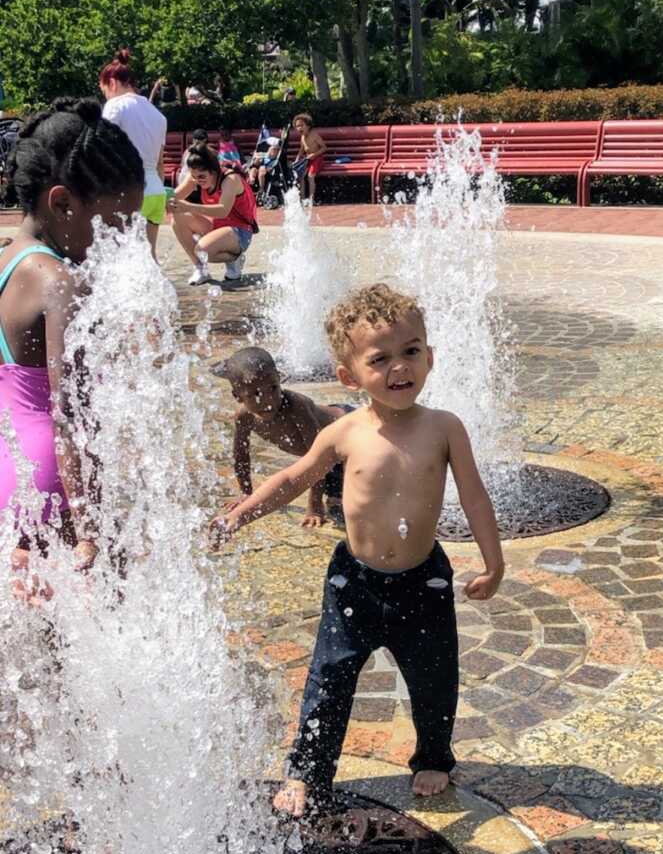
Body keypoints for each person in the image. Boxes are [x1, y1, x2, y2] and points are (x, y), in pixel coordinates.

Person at [211, 283, 504, 817]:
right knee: (329, 679)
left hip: (425, 580)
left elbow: (475, 495)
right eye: (381, 358)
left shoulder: (444, 428)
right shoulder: (344, 432)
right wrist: (238, 513)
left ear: (429, 356)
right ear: (349, 376)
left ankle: (433, 756)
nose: (400, 368)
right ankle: (309, 768)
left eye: (411, 351)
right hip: (356, 582)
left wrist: (493, 561)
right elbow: (293, 478)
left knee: (434, 677)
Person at [0, 98, 145, 578]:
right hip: (51, 484)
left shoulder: (7, 259)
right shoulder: (60, 281)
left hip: (10, 468)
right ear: (61, 202)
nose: (125, 238)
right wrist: (90, 525)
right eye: (117, 222)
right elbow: (71, 417)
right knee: (74, 634)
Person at [211, 346, 351, 526]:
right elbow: (241, 457)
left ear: (280, 378)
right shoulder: (243, 417)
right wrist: (246, 493)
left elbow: (316, 458)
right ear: (237, 396)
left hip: (347, 430)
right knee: (336, 493)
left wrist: (315, 506)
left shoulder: (296, 407)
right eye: (255, 394)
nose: (268, 399)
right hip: (330, 458)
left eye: (273, 388)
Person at [98, 49, 166, 260]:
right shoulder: (157, 114)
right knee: (149, 257)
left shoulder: (115, 106)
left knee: (122, 259)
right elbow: (160, 164)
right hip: (156, 193)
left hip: (129, 191)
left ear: (112, 83)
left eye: (104, 91)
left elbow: (103, 151)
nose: (106, 96)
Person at [168, 143, 257, 289]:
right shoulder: (196, 176)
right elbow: (175, 196)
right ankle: (201, 269)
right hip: (218, 226)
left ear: (213, 171)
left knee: (201, 250)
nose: (197, 181)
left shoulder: (230, 180)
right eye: (194, 176)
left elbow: (223, 211)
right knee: (178, 218)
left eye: (202, 177)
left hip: (240, 231)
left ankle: (235, 257)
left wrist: (189, 206)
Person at [292, 113, 327, 205]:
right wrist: (297, 159)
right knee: (301, 176)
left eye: (301, 125)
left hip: (317, 158)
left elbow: (324, 148)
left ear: (308, 125)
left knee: (310, 176)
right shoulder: (302, 137)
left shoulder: (314, 135)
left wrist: (315, 155)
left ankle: (312, 199)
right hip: (308, 159)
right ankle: (303, 199)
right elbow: (301, 150)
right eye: (297, 126)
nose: (299, 128)